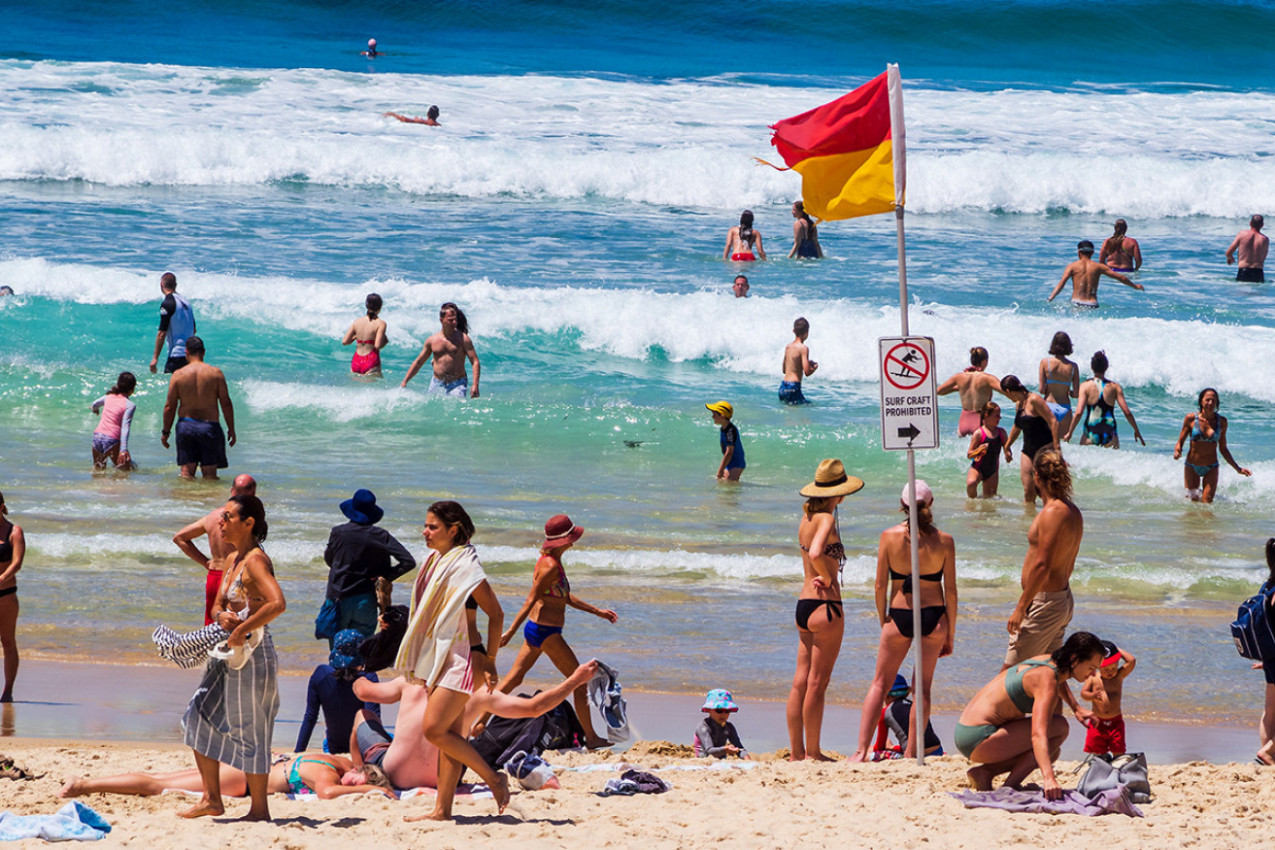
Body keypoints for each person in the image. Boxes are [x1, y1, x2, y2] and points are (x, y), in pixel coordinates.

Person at [393, 500, 510, 819]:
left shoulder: (466, 566)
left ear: (453, 530)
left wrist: (491, 658)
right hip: (441, 658)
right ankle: (442, 809)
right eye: (426, 525)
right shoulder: (436, 561)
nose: (425, 531)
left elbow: (496, 613)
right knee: (450, 738)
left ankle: (493, 778)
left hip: (462, 660)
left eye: (433, 526)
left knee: (433, 730)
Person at [180, 494, 285, 821]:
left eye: (227, 517)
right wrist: (221, 614)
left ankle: (259, 810)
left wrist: (241, 631)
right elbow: (217, 605)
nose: (220, 522)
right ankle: (212, 798)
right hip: (227, 652)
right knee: (197, 714)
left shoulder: (255, 560)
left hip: (253, 653)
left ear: (248, 523)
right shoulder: (231, 558)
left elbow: (277, 603)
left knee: (252, 728)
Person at [349, 660, 598, 790]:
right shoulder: (477, 694)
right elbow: (534, 708)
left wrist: (358, 675)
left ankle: (358, 769)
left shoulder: (412, 681)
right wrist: (575, 680)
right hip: (444, 781)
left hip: (396, 774)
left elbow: (364, 693)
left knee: (363, 715)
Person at [848, 481, 956, 762]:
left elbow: (879, 584)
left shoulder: (889, 536)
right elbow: (952, 591)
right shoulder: (944, 540)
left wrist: (883, 617)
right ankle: (910, 753)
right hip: (934, 615)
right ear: (929, 504)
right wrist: (950, 633)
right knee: (922, 687)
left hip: (899, 614)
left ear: (903, 505)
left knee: (879, 684)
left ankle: (860, 751)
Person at [496, 514, 617, 750]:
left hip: (539, 630)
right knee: (579, 681)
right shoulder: (550, 566)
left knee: (514, 679)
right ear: (562, 541)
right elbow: (531, 599)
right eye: (571, 538)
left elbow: (563, 595)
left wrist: (597, 611)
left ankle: (476, 719)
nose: (573, 542)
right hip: (546, 632)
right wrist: (510, 631)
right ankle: (591, 737)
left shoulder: (551, 561)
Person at [956, 631, 1106, 798]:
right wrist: (1049, 778)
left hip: (967, 732)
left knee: (1051, 752)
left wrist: (1076, 708)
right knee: (1059, 727)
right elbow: (1038, 734)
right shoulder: (1046, 679)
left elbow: (1059, 680)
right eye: (1092, 668)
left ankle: (984, 773)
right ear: (1074, 659)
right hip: (978, 737)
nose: (1093, 675)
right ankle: (1008, 788)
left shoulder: (1048, 661)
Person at [787, 459, 864, 761]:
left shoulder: (806, 518)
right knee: (817, 683)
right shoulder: (827, 520)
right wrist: (830, 577)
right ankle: (813, 752)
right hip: (826, 604)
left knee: (800, 681)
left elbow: (809, 552)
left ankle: (796, 752)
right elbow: (817, 552)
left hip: (804, 604)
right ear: (840, 494)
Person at [1004, 449, 1085, 676]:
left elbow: (1042, 565)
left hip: (1044, 603)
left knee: (1008, 679)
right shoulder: (1072, 511)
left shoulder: (1052, 512)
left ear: (1037, 476)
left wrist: (1021, 608)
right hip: (1060, 599)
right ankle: (1054, 714)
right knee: (1050, 676)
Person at [60, 752, 392, 801]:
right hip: (242, 779)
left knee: (160, 777)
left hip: (245, 766)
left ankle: (89, 783)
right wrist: (369, 792)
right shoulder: (327, 772)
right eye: (359, 781)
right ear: (359, 773)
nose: (355, 785)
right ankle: (84, 785)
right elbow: (327, 794)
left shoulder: (334, 759)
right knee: (158, 784)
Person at [320, 489, 416, 642]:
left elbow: (329, 560)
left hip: (339, 597)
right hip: (366, 600)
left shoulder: (338, 532)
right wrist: (386, 576)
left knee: (338, 649)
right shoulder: (381, 535)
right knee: (362, 649)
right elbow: (408, 561)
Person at [172, 474, 258, 626]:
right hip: (237, 578)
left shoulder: (213, 517)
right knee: (240, 628)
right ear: (253, 494)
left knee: (211, 627)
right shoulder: (247, 520)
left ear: (232, 490)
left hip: (214, 576)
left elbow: (179, 537)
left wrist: (205, 562)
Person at [295, 630, 382, 754]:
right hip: (361, 750)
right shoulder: (369, 678)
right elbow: (373, 721)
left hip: (333, 748)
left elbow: (310, 717)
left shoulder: (320, 674)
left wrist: (298, 752)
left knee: (326, 737)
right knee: (392, 737)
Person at [161, 336, 236, 479]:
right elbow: (226, 403)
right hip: (209, 427)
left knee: (186, 474)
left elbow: (169, 406)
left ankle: (187, 501)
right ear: (204, 352)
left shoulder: (178, 375)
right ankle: (207, 500)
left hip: (186, 427)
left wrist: (166, 432)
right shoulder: (216, 373)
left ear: (186, 352)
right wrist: (231, 429)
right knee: (210, 475)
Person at [1173, 387, 1252, 502]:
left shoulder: (1222, 422)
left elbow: (1223, 449)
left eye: (1213, 401)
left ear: (1217, 403)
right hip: (1191, 466)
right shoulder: (1190, 419)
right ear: (1201, 401)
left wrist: (1238, 469)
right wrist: (1177, 451)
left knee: (1207, 503)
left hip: (1211, 467)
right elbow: (1180, 442)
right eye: (1207, 400)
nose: (1210, 403)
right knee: (1193, 502)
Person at [1063, 351, 1145, 449]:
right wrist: (1136, 430)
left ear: (1092, 367)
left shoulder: (1085, 386)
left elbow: (1079, 412)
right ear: (1106, 367)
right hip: (1110, 436)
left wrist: (1070, 432)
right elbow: (1127, 412)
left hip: (1090, 435)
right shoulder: (1115, 387)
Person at [1000, 374, 1059, 504]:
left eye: (1005, 394)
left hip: (1044, 449)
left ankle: (1049, 519)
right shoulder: (1019, 405)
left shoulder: (1034, 400)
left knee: (1046, 492)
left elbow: (1053, 421)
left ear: (1009, 391)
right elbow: (1017, 426)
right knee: (1028, 491)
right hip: (1028, 451)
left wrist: (1056, 448)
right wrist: (1007, 445)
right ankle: (1028, 521)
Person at [401, 302, 480, 398]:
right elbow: (419, 362)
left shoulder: (463, 339)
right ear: (441, 320)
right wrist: (405, 381)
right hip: (437, 382)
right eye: (450, 320)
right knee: (431, 410)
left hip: (457, 383)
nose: (454, 322)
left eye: (455, 320)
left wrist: (475, 385)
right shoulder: (432, 340)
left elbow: (475, 361)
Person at [1080, 640, 1136, 757]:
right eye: (1106, 669)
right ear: (1098, 667)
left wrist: (1116, 649)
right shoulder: (1093, 678)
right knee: (1098, 752)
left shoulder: (1119, 676)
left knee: (1119, 750)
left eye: (1113, 668)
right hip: (1097, 723)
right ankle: (1100, 764)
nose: (1110, 672)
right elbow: (1084, 694)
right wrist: (1093, 696)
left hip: (1116, 722)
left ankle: (1117, 766)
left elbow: (1131, 661)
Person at [1047, 241, 1144, 308]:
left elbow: (1061, 284)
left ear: (1079, 252)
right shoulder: (1099, 267)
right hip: (1092, 304)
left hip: (1076, 303)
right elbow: (1121, 278)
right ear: (1092, 253)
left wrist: (1051, 298)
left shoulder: (1072, 266)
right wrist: (1135, 286)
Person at [872, 674, 943, 759]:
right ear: (906, 694)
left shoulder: (884, 712)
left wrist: (889, 748)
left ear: (885, 695)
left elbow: (879, 747)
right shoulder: (915, 706)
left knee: (870, 753)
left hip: (913, 755)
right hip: (937, 750)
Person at [937, 346, 1003, 436]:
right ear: (985, 361)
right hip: (980, 419)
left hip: (964, 420)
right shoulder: (988, 378)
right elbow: (1004, 390)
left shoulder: (959, 377)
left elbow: (939, 391)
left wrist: (959, 388)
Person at [0, 492, 25, 703]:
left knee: (7, 641)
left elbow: (17, 562)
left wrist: (2, 578)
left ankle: (8, 690)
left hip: (6, 594)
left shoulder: (14, 531)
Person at [1253, 539, 1275, 766]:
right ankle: (1269, 750)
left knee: (1270, 712)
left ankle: (1267, 754)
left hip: (1270, 656)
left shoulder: (1267, 586)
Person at [149, 272, 196, 374]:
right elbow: (194, 329)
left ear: (162, 285)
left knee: (171, 388)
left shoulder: (168, 303)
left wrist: (155, 358)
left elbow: (161, 333)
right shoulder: (187, 302)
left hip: (176, 357)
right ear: (176, 285)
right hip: (190, 356)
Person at [90, 372, 137, 471]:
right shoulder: (130, 405)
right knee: (125, 472)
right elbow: (125, 427)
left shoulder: (108, 397)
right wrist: (123, 450)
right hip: (112, 440)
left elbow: (94, 404)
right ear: (132, 389)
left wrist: (95, 409)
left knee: (98, 472)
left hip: (97, 438)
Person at [1038, 331, 1080, 436]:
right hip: (1065, 408)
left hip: (1048, 406)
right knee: (1062, 446)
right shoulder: (1073, 367)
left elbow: (1042, 390)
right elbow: (1076, 394)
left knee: (1046, 444)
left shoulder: (1045, 362)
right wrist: (1066, 390)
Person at [967, 402, 1011, 499]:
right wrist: (979, 449)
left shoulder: (1001, 433)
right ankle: (972, 506)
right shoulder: (979, 433)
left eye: (999, 415)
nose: (1000, 418)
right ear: (987, 416)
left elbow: (1007, 448)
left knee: (989, 500)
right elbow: (969, 455)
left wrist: (1008, 454)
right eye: (997, 416)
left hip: (992, 470)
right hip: (977, 467)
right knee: (971, 484)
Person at [693, 689, 751, 759]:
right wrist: (726, 749)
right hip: (704, 759)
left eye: (727, 711)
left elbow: (739, 748)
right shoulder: (703, 727)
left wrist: (747, 758)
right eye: (719, 710)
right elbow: (709, 750)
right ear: (709, 710)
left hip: (722, 760)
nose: (723, 715)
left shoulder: (729, 727)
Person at [343, 293, 388, 377]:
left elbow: (345, 342)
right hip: (371, 360)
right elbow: (377, 345)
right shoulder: (381, 323)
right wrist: (385, 342)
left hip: (356, 360)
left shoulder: (357, 322)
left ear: (366, 306)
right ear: (380, 307)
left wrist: (356, 337)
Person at [779, 317, 818, 404]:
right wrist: (814, 367)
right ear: (806, 332)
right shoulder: (803, 348)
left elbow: (784, 370)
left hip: (783, 387)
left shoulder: (788, 347)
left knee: (790, 413)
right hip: (793, 387)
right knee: (808, 408)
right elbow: (807, 372)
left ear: (794, 330)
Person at [706, 401, 745, 481]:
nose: (712, 417)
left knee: (729, 487)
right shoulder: (724, 428)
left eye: (714, 414)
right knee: (724, 484)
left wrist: (720, 470)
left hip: (736, 463)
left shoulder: (730, 431)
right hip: (730, 462)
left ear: (722, 416)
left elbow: (729, 452)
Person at [1226, 214, 1268, 282]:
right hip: (1258, 273)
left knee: (1242, 292)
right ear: (1262, 225)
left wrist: (1230, 258)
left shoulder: (1242, 234)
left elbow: (1228, 253)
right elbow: (1263, 257)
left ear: (1250, 223)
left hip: (1244, 271)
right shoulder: (1265, 239)